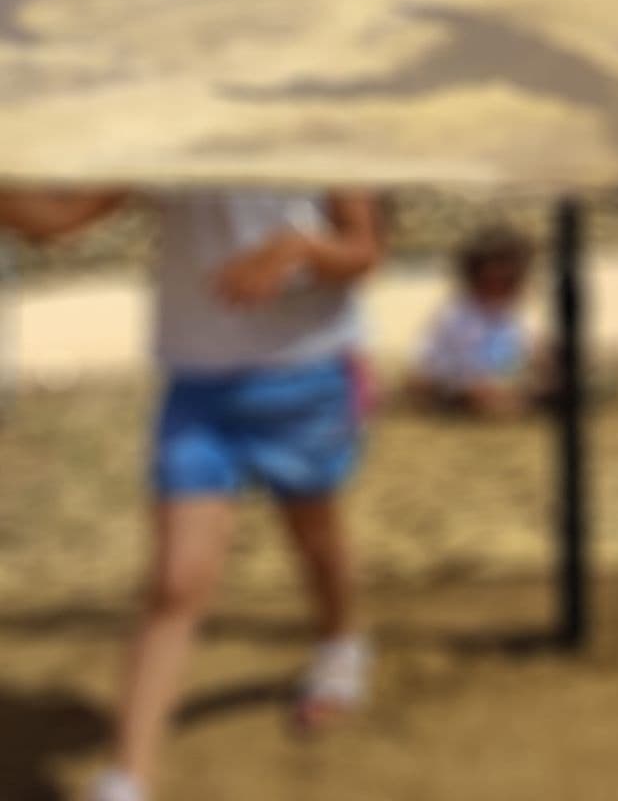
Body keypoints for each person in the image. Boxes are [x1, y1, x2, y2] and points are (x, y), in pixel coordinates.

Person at [0, 187, 384, 801]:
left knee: (315, 539)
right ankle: (127, 778)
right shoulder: (163, 142)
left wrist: (297, 249)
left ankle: (340, 644)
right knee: (175, 581)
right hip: (198, 389)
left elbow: (363, 251)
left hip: (306, 379)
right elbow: (60, 217)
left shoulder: (327, 143)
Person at [406, 223, 547, 419]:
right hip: (463, 394)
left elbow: (532, 358)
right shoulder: (454, 316)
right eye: (492, 269)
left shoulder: (524, 315)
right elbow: (427, 369)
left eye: (507, 269)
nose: (499, 275)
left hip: (516, 392)